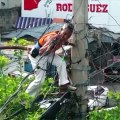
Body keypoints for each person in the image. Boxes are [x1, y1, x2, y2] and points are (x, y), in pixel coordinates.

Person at [26, 23, 77, 98]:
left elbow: (65, 42)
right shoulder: (53, 37)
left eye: (68, 36)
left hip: (48, 54)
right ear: (61, 30)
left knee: (61, 63)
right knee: (40, 81)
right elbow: (41, 51)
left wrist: (72, 44)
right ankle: (25, 97)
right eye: (64, 34)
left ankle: (63, 85)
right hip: (38, 56)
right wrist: (51, 46)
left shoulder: (63, 39)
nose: (65, 37)